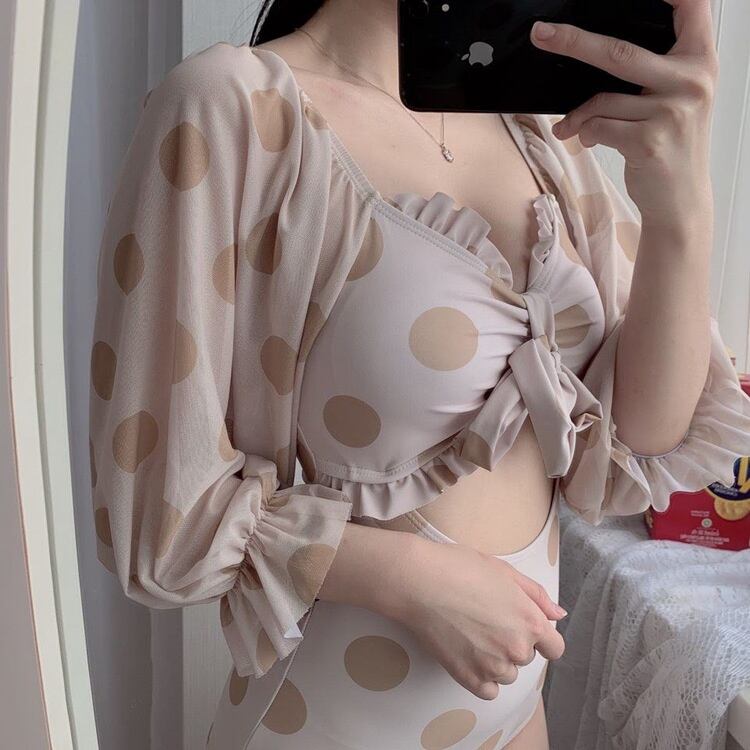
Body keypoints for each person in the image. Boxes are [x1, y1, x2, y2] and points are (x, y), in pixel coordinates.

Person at [89, 0, 749, 747]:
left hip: (518, 724)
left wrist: (681, 208)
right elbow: (158, 519)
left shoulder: (533, 131)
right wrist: (406, 578)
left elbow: (642, 435)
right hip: (325, 725)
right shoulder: (233, 104)